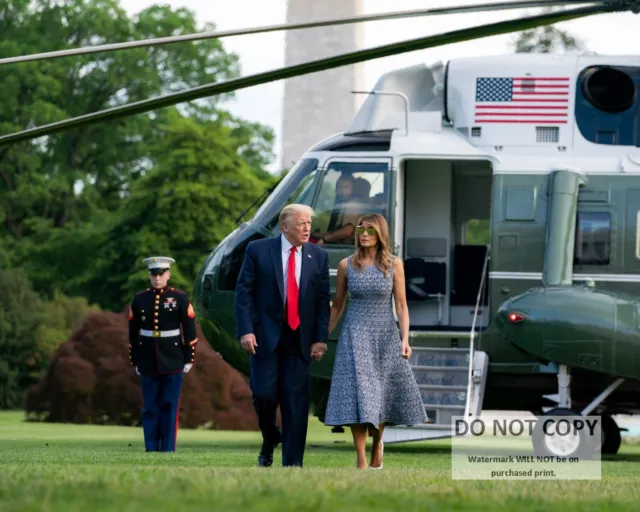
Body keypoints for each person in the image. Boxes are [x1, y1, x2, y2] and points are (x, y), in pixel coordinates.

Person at [323, 213, 429, 469]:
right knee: (358, 395)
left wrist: (405, 339)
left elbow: (401, 306)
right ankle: (360, 458)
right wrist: (321, 338)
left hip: (385, 335)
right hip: (354, 334)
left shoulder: (394, 264)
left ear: (380, 233)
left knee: (380, 397)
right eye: (361, 229)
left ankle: (378, 443)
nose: (365, 234)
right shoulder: (346, 265)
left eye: (370, 230)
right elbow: (337, 306)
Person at [235, 204, 330, 467]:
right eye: (302, 224)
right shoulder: (258, 250)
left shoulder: (318, 256)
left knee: (295, 402)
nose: (307, 228)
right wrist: (245, 330)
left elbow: (323, 300)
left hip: (299, 340)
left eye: (309, 223)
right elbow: (244, 292)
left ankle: (292, 464)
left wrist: (320, 337)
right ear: (285, 226)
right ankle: (270, 436)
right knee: (263, 395)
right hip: (264, 336)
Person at [128, 256, 198, 452]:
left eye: (161, 274)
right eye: (153, 274)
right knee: (150, 406)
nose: (157, 278)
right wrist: (135, 358)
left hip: (173, 357)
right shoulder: (140, 299)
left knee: (169, 405)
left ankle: (167, 449)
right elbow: (133, 332)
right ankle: (151, 448)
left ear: (168, 274)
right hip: (147, 358)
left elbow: (190, 329)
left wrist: (189, 357)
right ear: (149, 275)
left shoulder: (180, 298)